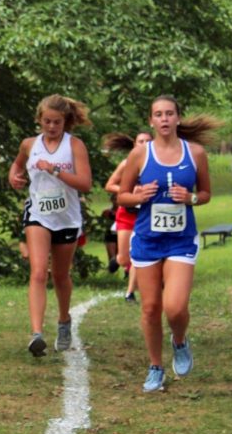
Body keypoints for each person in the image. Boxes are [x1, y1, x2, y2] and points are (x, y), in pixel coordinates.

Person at [117, 95, 219, 392]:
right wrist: (139, 196)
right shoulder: (140, 155)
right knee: (150, 308)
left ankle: (179, 340)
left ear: (177, 118)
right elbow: (122, 196)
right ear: (151, 120)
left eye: (169, 114)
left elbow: (207, 193)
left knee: (174, 308)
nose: (163, 119)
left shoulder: (196, 153)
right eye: (158, 114)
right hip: (148, 239)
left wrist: (192, 198)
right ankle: (155, 367)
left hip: (180, 241)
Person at [8, 94, 93, 356]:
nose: (52, 127)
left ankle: (64, 320)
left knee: (60, 275)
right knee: (37, 272)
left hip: (66, 217)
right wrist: (14, 176)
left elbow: (85, 184)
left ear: (65, 122)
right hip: (38, 215)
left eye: (57, 122)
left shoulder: (74, 145)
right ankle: (36, 334)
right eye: (47, 121)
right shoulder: (29, 145)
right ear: (39, 120)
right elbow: (17, 166)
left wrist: (55, 170)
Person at [104, 131, 154, 302]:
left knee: (138, 254)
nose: (144, 144)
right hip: (127, 213)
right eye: (141, 141)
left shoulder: (158, 164)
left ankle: (130, 292)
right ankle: (117, 259)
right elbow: (110, 185)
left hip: (146, 214)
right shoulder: (127, 164)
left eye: (148, 141)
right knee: (125, 257)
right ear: (135, 145)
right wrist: (129, 191)